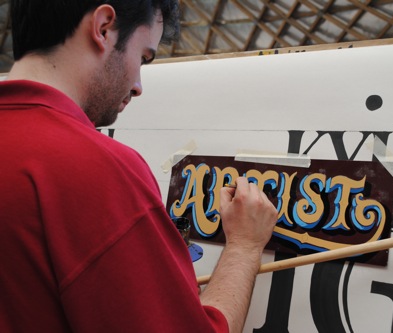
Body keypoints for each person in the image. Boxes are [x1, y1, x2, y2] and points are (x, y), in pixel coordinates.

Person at [0, 1, 278, 332]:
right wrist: (245, 248)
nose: (138, 86)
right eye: (143, 57)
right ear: (103, 27)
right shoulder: (97, 168)